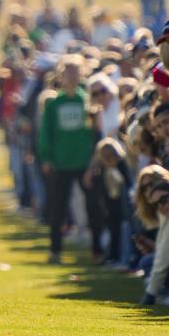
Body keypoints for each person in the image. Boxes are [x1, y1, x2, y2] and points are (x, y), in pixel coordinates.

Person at [36, 55, 99, 265]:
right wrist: (46, 157)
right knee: (58, 209)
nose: (71, 76)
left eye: (75, 71)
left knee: (93, 208)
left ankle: (97, 250)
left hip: (83, 162)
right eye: (68, 72)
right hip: (60, 162)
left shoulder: (87, 100)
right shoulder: (54, 103)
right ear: (61, 75)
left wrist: (93, 159)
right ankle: (55, 251)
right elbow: (46, 133)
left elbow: (94, 132)